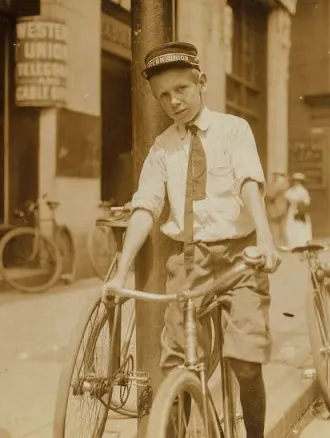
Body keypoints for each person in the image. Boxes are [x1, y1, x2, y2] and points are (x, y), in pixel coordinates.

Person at [104, 42, 280, 438]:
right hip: (190, 263)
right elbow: (146, 206)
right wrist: (122, 272)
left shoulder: (234, 129)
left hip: (241, 259)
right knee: (176, 369)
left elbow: (248, 180)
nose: (173, 102)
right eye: (163, 96)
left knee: (247, 361)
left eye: (181, 89)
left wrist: (266, 239)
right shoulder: (163, 148)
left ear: (201, 83)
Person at [284, 172, 312, 249]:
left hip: (300, 211)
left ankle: (301, 244)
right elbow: (287, 198)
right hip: (292, 211)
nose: (296, 183)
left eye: (298, 181)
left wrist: (300, 208)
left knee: (300, 227)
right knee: (292, 227)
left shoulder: (302, 191)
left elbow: (306, 202)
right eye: (295, 181)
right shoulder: (291, 191)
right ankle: (294, 244)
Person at [265, 171, 290, 246]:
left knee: (276, 230)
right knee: (280, 230)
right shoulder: (284, 184)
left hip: (276, 210)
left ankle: (278, 246)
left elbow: (270, 194)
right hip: (280, 209)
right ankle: (281, 245)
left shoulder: (279, 185)